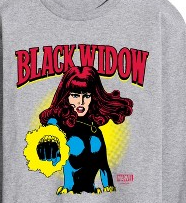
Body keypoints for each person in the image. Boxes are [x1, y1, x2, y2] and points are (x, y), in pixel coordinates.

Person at [38, 65, 133, 194]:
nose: (81, 102)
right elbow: (51, 129)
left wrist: (109, 188)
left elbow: (104, 167)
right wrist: (48, 138)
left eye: (87, 96)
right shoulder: (59, 125)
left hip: (94, 194)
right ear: (66, 97)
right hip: (68, 194)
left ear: (93, 97)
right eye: (75, 95)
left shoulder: (95, 131)